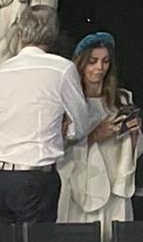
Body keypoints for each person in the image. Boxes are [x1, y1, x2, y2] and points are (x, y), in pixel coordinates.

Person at [0, 4, 94, 242]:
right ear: (52, 34)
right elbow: (81, 123)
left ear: (21, 32)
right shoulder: (61, 69)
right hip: (34, 177)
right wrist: (67, 132)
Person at [57, 30, 141, 225]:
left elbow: (133, 152)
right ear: (81, 64)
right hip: (81, 186)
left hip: (115, 186)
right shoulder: (69, 103)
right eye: (93, 61)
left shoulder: (122, 99)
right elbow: (59, 150)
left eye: (105, 61)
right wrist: (93, 136)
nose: (99, 68)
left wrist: (134, 135)